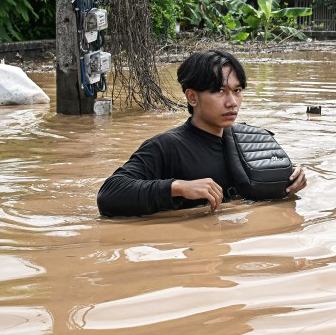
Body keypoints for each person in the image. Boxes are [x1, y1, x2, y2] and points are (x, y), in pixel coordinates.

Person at [97, 49, 307, 217]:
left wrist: (291, 178)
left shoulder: (252, 140)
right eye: (219, 91)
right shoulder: (167, 146)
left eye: (237, 91)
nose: (232, 102)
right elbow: (109, 194)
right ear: (192, 98)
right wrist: (177, 187)